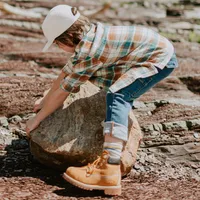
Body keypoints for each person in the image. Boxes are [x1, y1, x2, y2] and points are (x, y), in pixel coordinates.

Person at [26, 4, 178, 196]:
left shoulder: (89, 52)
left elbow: (64, 90)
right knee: (118, 91)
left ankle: (110, 167)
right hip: (148, 51)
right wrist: (44, 101)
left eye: (56, 43)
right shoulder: (88, 37)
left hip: (158, 58)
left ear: (66, 38)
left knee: (118, 95)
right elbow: (66, 72)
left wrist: (37, 119)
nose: (58, 48)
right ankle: (114, 147)